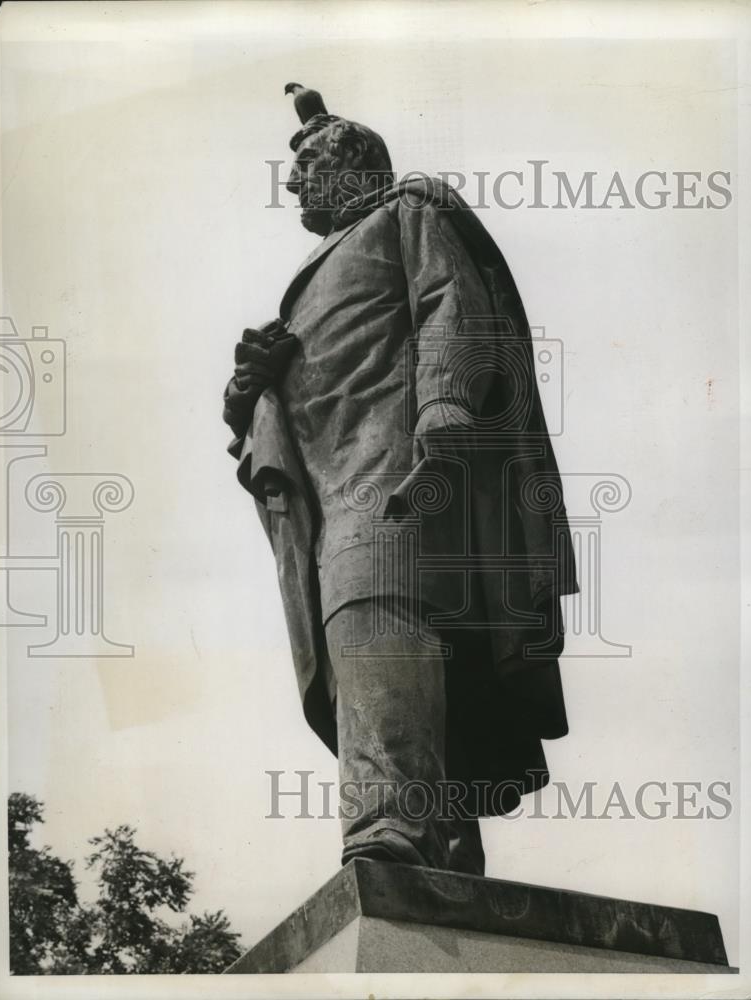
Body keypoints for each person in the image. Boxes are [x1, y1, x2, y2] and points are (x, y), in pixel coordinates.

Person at [223, 85, 578, 875]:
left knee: (374, 619)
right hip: (329, 484)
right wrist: (253, 386)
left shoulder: (405, 210)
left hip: (390, 470)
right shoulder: (318, 266)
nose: (291, 183)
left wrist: (445, 399)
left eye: (306, 163)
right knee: (361, 644)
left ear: (355, 164)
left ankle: (389, 827)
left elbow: (450, 298)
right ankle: (444, 842)